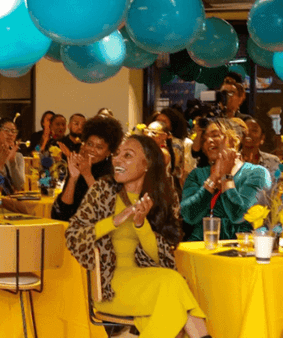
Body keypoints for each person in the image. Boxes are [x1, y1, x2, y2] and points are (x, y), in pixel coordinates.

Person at [66, 135, 210, 338]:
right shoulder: (101, 191)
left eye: (128, 156)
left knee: (174, 292)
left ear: (147, 164)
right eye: (117, 155)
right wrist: (114, 221)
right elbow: (73, 237)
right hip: (109, 287)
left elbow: (159, 259)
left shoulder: (163, 197)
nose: (117, 160)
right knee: (176, 287)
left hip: (149, 283)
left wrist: (141, 225)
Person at [181, 118, 271, 241]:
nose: (209, 141)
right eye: (205, 138)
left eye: (215, 135)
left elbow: (239, 215)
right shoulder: (196, 175)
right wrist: (212, 180)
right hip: (200, 250)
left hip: (240, 250)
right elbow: (188, 216)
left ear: (235, 140)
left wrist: (226, 178)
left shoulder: (257, 173)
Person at [52, 116, 124, 221]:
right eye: (89, 144)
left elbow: (104, 208)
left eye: (99, 147)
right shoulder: (80, 165)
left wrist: (87, 175)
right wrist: (73, 178)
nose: (92, 150)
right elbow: (62, 212)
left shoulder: (113, 173)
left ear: (109, 151)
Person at [0, 120, 25, 193]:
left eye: (13, 131)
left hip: (10, 200)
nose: (10, 134)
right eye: (7, 130)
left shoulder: (18, 156)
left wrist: (12, 162)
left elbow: (19, 186)